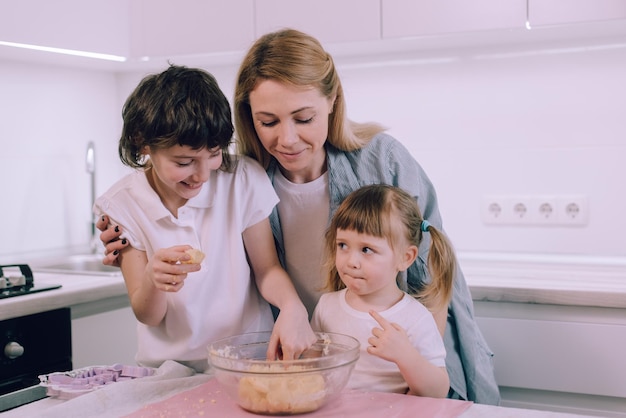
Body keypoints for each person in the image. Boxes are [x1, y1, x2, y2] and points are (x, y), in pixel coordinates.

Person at [99, 29, 500, 404]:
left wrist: (419, 387)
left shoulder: (383, 162)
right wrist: (135, 246)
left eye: (304, 119)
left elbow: (429, 289)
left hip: (396, 374)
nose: (286, 140)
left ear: (332, 102)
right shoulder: (245, 177)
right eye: (268, 122)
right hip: (315, 368)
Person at [93, 64, 315, 373]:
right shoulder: (122, 205)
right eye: (184, 162)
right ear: (143, 144)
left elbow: (267, 269)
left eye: (213, 154)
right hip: (168, 370)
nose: (201, 174)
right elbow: (148, 315)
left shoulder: (242, 179)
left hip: (249, 362)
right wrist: (153, 280)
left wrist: (292, 307)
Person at [311, 184, 454, 397]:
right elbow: (311, 368)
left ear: (405, 258)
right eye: (342, 245)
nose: (351, 261)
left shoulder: (415, 318)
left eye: (366, 249)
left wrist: (405, 356)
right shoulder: (326, 306)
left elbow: (438, 391)